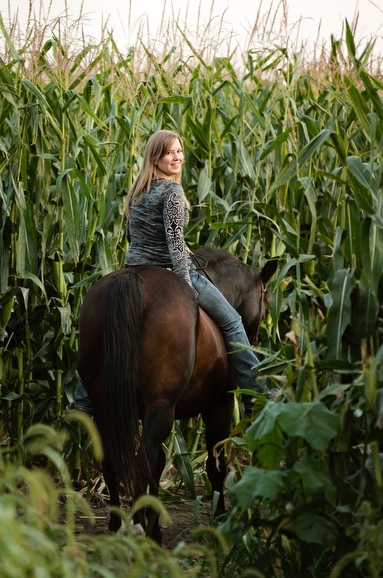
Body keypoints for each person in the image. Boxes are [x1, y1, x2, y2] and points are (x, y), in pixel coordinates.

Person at [68, 129, 268, 415]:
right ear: (155, 157)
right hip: (168, 271)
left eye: (179, 151)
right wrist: (184, 283)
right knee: (234, 322)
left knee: (106, 328)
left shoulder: (139, 190)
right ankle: (255, 396)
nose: (176, 157)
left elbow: (133, 236)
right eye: (168, 152)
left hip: (134, 268)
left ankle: (83, 401)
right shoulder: (173, 191)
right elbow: (173, 241)